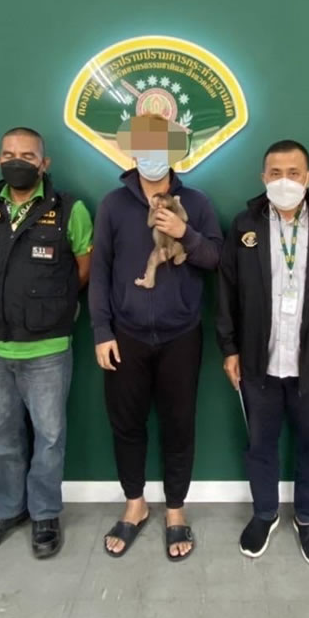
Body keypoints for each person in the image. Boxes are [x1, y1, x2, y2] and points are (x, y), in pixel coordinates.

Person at [218, 141, 309, 566]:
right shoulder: (244, 224)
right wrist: (230, 348)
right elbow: (226, 291)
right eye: (276, 173)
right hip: (257, 360)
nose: (285, 180)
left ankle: (308, 517)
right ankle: (264, 513)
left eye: (294, 172)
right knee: (260, 444)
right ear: (263, 178)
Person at [89, 114, 223, 561]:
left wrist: (186, 234)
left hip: (181, 333)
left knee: (179, 425)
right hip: (125, 334)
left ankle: (175, 510)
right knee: (126, 425)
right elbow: (100, 272)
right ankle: (135, 505)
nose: (152, 154)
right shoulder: (112, 205)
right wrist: (102, 331)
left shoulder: (196, 202)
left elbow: (216, 258)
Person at [0, 127, 92, 560]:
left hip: (46, 348)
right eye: (8, 154)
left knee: (49, 436)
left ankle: (44, 514)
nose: (16, 161)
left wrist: (50, 307)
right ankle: (6, 509)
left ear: (44, 163)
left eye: (27, 155)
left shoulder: (70, 209)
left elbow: (83, 267)